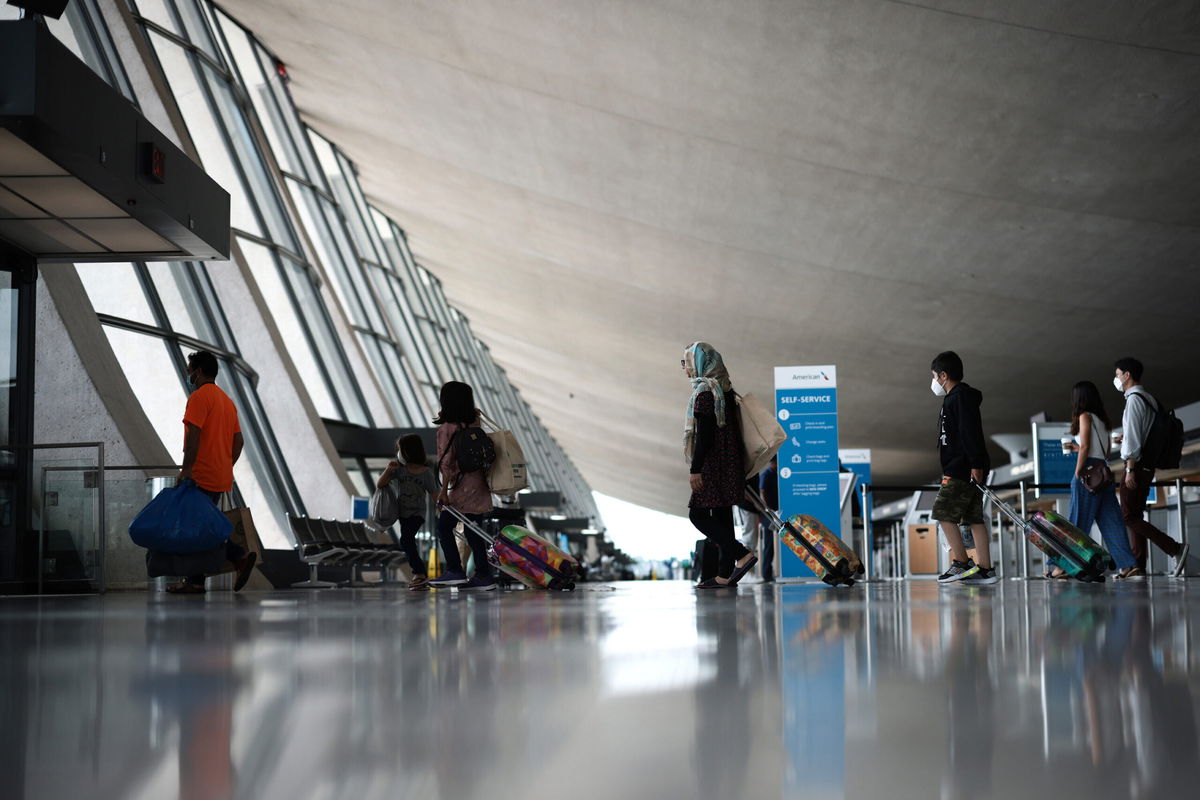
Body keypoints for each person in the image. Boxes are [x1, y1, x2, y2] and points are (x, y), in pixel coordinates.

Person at [168, 350, 256, 594]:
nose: (189, 376)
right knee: (199, 526)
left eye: (190, 372)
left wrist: (186, 470)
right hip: (220, 476)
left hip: (200, 475)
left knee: (194, 527)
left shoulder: (199, 398)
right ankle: (197, 579)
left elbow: (194, 434)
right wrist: (226, 465)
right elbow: (238, 442)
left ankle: (236, 557)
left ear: (198, 371)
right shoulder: (227, 402)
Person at [683, 342, 757, 589]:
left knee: (698, 514)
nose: (684, 368)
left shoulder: (705, 393)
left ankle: (741, 554)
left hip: (713, 465)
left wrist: (696, 469)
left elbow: (704, 436)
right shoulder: (725, 389)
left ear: (700, 364)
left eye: (687, 362)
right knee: (723, 515)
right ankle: (725, 575)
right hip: (729, 462)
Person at [1053, 381, 1140, 580]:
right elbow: (1106, 451)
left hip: (1088, 473)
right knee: (1112, 522)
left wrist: (1078, 472)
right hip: (1103, 472)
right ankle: (1128, 565)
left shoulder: (1084, 416)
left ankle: (1064, 566)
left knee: (1077, 521)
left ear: (1079, 399)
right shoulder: (1102, 419)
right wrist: (1080, 449)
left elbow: (1085, 447)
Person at [1113, 357, 1189, 576]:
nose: (1116, 379)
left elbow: (1135, 440)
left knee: (1127, 516)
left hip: (1137, 466)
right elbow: (1142, 434)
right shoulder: (1148, 399)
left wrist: (1129, 469)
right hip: (1147, 465)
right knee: (1135, 514)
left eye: (1118, 374)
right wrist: (1126, 439)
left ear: (1127, 375)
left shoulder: (1135, 400)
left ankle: (1175, 548)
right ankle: (1138, 565)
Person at [928, 351, 999, 584]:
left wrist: (976, 464)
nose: (934, 382)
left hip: (961, 467)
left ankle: (961, 562)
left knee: (942, 512)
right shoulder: (958, 398)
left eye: (935, 376)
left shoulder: (958, 398)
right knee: (973, 518)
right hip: (965, 466)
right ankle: (986, 568)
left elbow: (970, 433)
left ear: (944, 375)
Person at [426, 381, 497, 591]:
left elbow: (446, 463)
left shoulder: (447, 429)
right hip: (480, 485)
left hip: (461, 487)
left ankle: (455, 571)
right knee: (473, 530)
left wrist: (444, 491)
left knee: (444, 526)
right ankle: (484, 575)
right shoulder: (475, 424)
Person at [377, 434, 440, 591]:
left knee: (405, 540)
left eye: (400, 449)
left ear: (408, 451)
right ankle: (419, 574)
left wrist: (442, 509)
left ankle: (419, 573)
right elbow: (380, 484)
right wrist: (388, 470)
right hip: (402, 514)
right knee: (407, 541)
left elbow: (434, 494)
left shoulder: (426, 473)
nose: (398, 453)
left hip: (417, 514)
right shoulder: (399, 470)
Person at [758, 456, 778, 582]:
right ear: (773, 463)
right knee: (769, 543)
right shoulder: (766, 474)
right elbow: (762, 491)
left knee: (774, 544)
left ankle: (771, 573)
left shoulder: (776, 474)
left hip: (776, 512)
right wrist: (767, 508)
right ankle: (766, 574)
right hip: (768, 514)